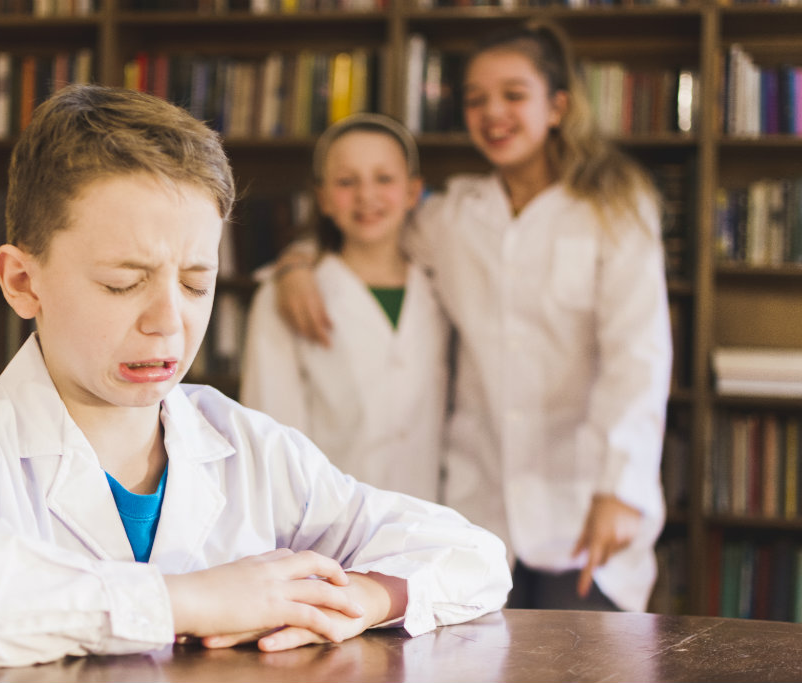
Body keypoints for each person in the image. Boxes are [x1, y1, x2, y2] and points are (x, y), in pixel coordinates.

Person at [0, 84, 510, 674]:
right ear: (23, 282)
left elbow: (474, 555)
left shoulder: (244, 443)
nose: (168, 324)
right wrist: (186, 599)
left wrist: (366, 594)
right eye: (123, 282)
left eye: (196, 283)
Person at [274, 20, 672, 612]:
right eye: (476, 99)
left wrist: (621, 488)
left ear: (557, 106)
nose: (493, 113)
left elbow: (639, 355)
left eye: (513, 95)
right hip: (476, 508)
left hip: (585, 499)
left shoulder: (615, 207)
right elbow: (370, 221)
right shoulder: (455, 214)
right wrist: (297, 260)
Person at [240, 113, 449, 502]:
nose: (366, 195)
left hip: (425, 521)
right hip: (325, 527)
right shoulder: (282, 294)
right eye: (346, 182)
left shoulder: (441, 289)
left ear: (413, 192)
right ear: (322, 198)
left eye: (384, 179)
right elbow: (269, 431)